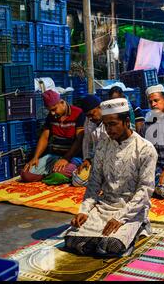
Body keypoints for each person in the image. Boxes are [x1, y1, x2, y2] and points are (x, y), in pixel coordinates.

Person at [64, 98, 158, 257]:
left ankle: (138, 227)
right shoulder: (102, 145)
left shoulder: (145, 149)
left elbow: (145, 191)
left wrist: (121, 218)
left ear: (126, 121)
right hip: (105, 205)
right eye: (106, 125)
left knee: (111, 245)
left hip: (131, 209)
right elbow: (94, 183)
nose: (109, 129)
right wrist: (85, 211)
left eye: (113, 124)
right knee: (70, 239)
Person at [21, 90, 84, 184]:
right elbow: (44, 137)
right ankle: (52, 175)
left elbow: (79, 140)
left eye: (54, 109)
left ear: (62, 102)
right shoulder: (51, 116)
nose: (53, 113)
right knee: (26, 174)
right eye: (50, 110)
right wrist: (35, 157)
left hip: (73, 157)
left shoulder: (78, 113)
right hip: (54, 155)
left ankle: (57, 175)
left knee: (60, 172)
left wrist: (66, 159)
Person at [72, 95, 108, 187]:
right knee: (77, 181)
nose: (91, 118)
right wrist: (87, 159)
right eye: (88, 116)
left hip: (112, 161)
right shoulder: (89, 121)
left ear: (100, 107)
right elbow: (87, 142)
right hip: (96, 161)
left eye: (92, 114)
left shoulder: (110, 120)